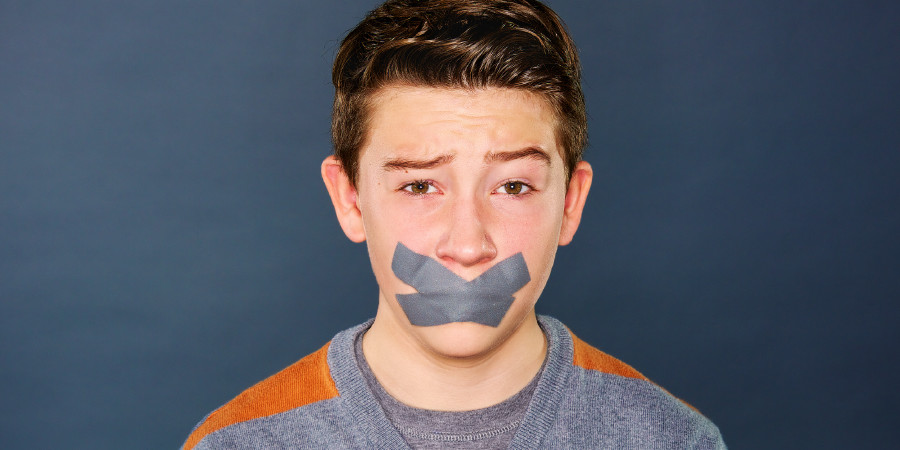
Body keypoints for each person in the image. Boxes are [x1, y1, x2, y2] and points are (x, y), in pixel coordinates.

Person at [182, 0, 726, 448]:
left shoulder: (672, 441)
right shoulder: (237, 443)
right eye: (419, 186)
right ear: (349, 198)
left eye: (513, 186)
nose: (467, 246)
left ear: (570, 202)